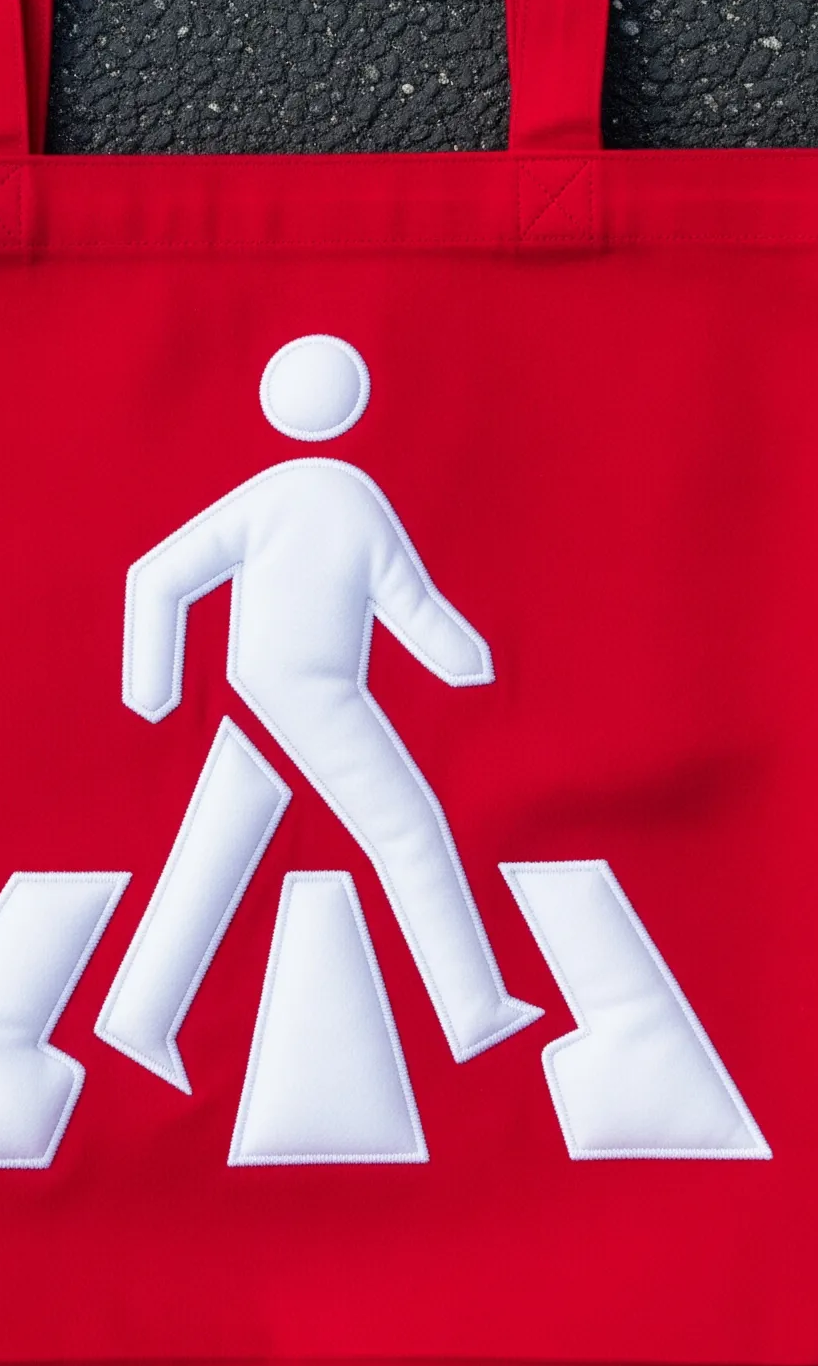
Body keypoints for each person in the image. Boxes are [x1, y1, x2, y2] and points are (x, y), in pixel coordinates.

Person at [113, 334, 540, 1069]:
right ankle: (475, 1010)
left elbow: (157, 579)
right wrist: (470, 668)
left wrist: (155, 693)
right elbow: (411, 605)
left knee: (217, 850)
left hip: (256, 692)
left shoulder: (271, 496)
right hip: (311, 697)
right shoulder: (349, 498)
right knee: (408, 828)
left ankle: (138, 1022)